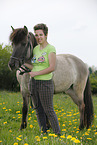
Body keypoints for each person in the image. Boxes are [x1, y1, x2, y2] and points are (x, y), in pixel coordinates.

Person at [25, 23, 61, 135]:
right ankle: (43, 133)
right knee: (38, 109)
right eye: (36, 35)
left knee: (48, 110)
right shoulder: (35, 49)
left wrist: (36, 73)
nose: (38, 37)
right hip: (33, 83)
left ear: (46, 35)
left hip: (45, 83)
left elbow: (51, 67)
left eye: (40, 34)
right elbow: (34, 66)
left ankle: (57, 134)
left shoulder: (51, 49)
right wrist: (25, 64)